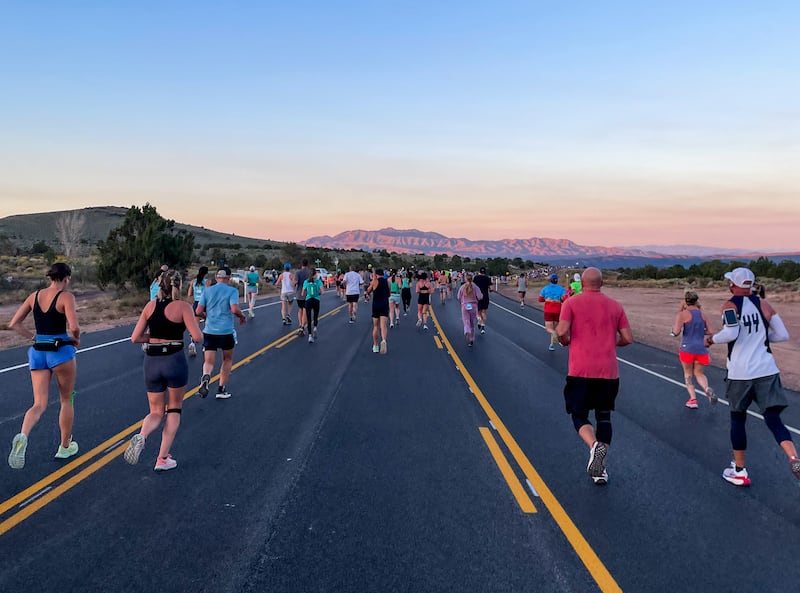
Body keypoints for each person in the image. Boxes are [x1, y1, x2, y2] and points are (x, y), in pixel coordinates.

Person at [704, 267, 798, 486]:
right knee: (774, 419)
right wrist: (762, 338)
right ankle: (794, 457)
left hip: (741, 373)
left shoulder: (729, 306)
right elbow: (782, 335)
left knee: (738, 419)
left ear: (733, 285)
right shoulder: (765, 305)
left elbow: (731, 332)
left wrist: (711, 340)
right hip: (766, 370)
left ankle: (739, 470)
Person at [556, 267, 634, 485]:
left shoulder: (571, 303)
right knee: (604, 416)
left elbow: (561, 332)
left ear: (582, 284)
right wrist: (612, 344)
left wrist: (566, 342)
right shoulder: (615, 306)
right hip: (608, 371)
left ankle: (593, 446)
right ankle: (601, 470)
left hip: (580, 370)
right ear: (602, 283)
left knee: (578, 414)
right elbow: (628, 337)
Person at [125, 269, 203, 471]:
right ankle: (162, 458)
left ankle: (142, 435)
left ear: (160, 286)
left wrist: (153, 336)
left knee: (156, 411)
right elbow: (197, 337)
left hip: (151, 362)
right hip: (174, 360)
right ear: (178, 285)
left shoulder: (150, 306)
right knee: (174, 409)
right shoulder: (183, 307)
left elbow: (135, 338)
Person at [8, 263, 82, 469]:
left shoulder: (34, 296)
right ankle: (65, 446)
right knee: (67, 399)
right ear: (66, 278)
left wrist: (33, 336)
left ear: (50, 277)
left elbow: (13, 323)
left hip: (38, 352)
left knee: (38, 404)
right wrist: (76, 339)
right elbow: (74, 327)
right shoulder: (66, 297)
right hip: (60, 352)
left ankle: (23, 435)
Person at [194, 267, 247, 400]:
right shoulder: (232, 291)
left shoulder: (207, 291)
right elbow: (234, 309)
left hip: (210, 330)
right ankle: (221, 389)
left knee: (209, 362)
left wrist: (206, 317)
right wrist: (242, 316)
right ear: (229, 278)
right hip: (226, 331)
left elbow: (198, 311)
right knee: (227, 359)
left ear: (217, 277)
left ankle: (206, 377)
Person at [670, 290, 717, 409]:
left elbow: (675, 332)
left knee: (688, 374)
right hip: (701, 348)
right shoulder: (703, 314)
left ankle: (693, 399)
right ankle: (706, 389)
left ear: (686, 301)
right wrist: (701, 331)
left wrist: (674, 330)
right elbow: (711, 331)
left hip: (687, 348)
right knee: (699, 373)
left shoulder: (683, 314)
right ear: (697, 300)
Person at [539, 274, 568, 351]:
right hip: (558, 309)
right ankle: (551, 345)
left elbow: (540, 299)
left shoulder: (545, 288)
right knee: (554, 328)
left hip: (548, 309)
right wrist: (559, 300)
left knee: (549, 328)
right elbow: (565, 299)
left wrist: (547, 299)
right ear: (557, 281)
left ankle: (555, 336)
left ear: (550, 280)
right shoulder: (561, 289)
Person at [187, 266, 210, 356]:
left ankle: (192, 343)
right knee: (207, 324)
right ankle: (206, 345)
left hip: (196, 304)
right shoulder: (207, 282)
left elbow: (189, 294)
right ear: (206, 273)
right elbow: (208, 293)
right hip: (204, 304)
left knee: (195, 326)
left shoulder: (193, 281)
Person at [365, 268, 390, 353]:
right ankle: (383, 340)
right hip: (384, 304)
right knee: (383, 325)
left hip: (376, 305)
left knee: (375, 326)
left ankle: (375, 345)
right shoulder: (387, 282)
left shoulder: (374, 282)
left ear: (376, 275)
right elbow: (388, 293)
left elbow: (368, 290)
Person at [457, 273, 483, 347]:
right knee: (472, 323)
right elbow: (480, 297)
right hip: (473, 306)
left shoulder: (462, 287)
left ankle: (467, 330)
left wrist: (462, 300)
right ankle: (471, 339)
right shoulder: (475, 287)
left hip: (465, 305)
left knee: (466, 321)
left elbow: (458, 297)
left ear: (465, 279)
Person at [301, 267, 324, 343]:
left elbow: (302, 293)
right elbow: (323, 292)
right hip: (316, 300)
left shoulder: (306, 282)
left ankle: (310, 336)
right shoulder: (318, 281)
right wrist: (319, 293)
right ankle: (315, 327)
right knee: (315, 316)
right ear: (315, 274)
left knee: (308, 318)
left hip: (308, 300)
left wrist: (306, 294)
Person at [472, 267, 492, 334]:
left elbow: (472, 286)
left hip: (477, 296)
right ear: (485, 272)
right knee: (483, 312)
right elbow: (491, 288)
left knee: (478, 311)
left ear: (480, 271)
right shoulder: (487, 278)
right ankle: (483, 327)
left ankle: (479, 320)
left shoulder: (476, 278)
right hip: (485, 297)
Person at [294, 259, 310, 335]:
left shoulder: (297, 272)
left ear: (301, 264)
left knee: (300, 309)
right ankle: (303, 326)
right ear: (307, 264)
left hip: (299, 294)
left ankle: (300, 325)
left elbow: (296, 282)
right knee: (305, 310)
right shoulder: (309, 273)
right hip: (308, 294)